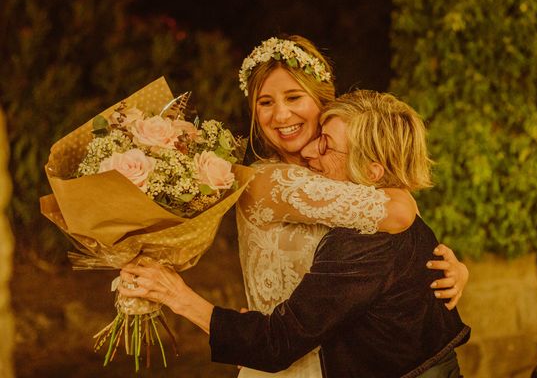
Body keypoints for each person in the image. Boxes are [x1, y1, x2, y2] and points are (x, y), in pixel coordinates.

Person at [119, 90, 470, 377]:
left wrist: (177, 296)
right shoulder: (382, 202)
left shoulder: (366, 239)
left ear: (372, 171)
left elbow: (276, 345)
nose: (308, 150)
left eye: (325, 145)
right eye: (265, 101)